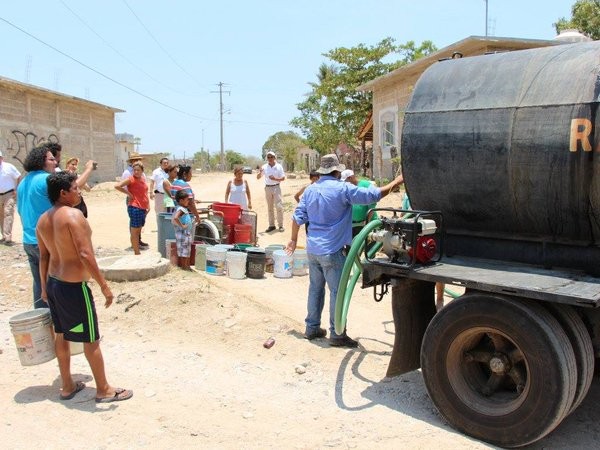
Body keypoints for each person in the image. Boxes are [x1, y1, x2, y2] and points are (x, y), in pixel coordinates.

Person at [286, 154, 404, 348]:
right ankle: (337, 334)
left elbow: (296, 218)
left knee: (315, 288)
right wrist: (397, 181)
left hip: (313, 249)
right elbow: (373, 195)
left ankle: (312, 328)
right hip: (332, 250)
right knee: (337, 292)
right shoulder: (343, 189)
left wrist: (292, 240)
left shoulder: (310, 190)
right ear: (337, 171)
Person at [36, 171, 133, 403]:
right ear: (63, 193)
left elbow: (43, 258)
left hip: (54, 284)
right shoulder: (73, 216)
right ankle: (104, 389)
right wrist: (104, 285)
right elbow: (85, 254)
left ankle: (67, 385)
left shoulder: (43, 220)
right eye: (75, 187)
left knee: (62, 334)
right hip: (73, 288)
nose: (79, 190)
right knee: (91, 339)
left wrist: (43, 288)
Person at [17, 145, 58, 308]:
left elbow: (20, 210)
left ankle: (41, 322)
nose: (55, 162)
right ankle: (58, 326)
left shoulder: (23, 182)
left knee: (39, 284)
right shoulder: (47, 180)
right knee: (56, 283)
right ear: (42, 162)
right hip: (46, 241)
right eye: (51, 159)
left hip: (28, 240)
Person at [400, 191, 446, 311]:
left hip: (430, 234)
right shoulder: (406, 196)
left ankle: (440, 299)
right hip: (412, 238)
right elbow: (403, 214)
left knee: (436, 270)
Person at [115, 162, 150, 255]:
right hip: (135, 207)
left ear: (142, 171)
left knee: (138, 230)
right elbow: (117, 186)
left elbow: (145, 193)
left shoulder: (142, 179)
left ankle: (137, 250)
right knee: (134, 231)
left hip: (142, 207)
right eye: (134, 170)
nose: (136, 172)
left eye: (138, 170)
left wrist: (148, 205)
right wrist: (129, 194)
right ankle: (136, 253)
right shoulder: (131, 179)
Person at [340, 169, 378, 239]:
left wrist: (366, 223)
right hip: (352, 225)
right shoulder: (346, 188)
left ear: (350, 178)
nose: (344, 183)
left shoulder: (365, 185)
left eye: (345, 181)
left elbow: (372, 206)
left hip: (366, 224)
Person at [121, 152, 149, 248]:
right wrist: (129, 195)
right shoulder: (128, 173)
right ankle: (135, 243)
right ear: (132, 161)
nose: (138, 161)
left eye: (139, 159)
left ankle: (138, 240)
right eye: (136, 159)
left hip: (142, 200)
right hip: (133, 200)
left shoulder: (141, 173)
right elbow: (123, 187)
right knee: (134, 222)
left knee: (140, 222)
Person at [257, 151, 285, 232]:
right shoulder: (264, 167)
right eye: (268, 157)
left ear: (274, 157)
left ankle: (280, 225)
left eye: (271, 157)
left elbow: (283, 178)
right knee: (270, 207)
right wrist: (260, 172)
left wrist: (275, 179)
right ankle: (271, 225)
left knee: (279, 206)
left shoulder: (279, 166)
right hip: (268, 188)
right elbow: (258, 177)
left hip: (276, 187)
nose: (270, 158)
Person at [0, 149, 22, 246]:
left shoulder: (9, 167)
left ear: (2, 158)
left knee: (8, 213)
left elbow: (18, 176)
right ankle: (4, 236)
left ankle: (7, 237)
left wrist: (16, 189)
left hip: (9, 194)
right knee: (1, 215)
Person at [171, 190, 194, 270]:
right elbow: (176, 218)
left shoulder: (179, 208)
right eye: (187, 200)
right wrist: (182, 226)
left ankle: (186, 266)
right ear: (181, 201)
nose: (188, 201)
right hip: (184, 233)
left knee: (185, 251)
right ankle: (185, 266)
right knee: (185, 251)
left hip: (183, 233)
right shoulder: (182, 209)